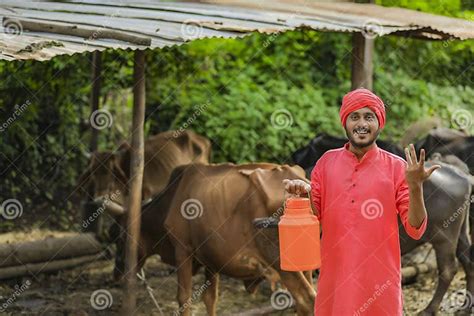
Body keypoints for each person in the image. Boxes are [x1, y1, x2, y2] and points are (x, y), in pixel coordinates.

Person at [283, 88, 440, 315]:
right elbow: (314, 218)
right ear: (345, 122)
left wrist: (415, 187)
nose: (361, 123)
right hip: (335, 285)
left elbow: (415, 229)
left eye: (369, 116)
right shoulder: (326, 163)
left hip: (380, 287)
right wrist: (303, 194)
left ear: (379, 122)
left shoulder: (397, 168)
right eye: (354, 117)